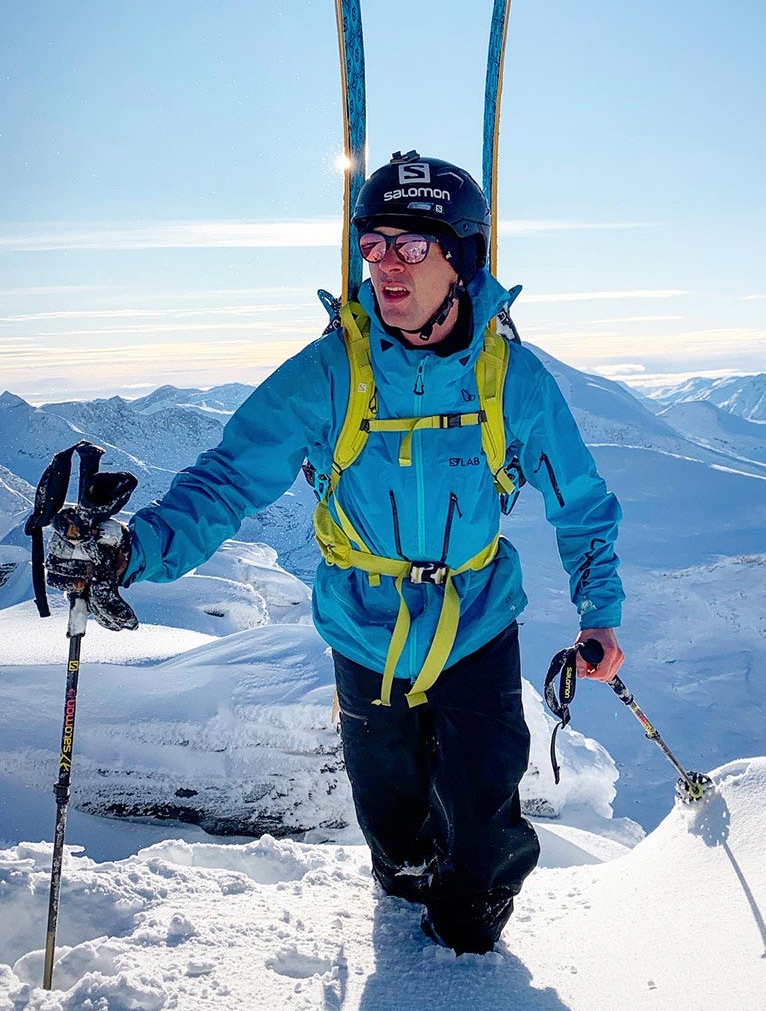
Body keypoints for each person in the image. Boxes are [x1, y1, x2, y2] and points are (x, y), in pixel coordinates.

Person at [54, 150, 626, 956]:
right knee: (391, 818)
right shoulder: (330, 373)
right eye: (374, 244)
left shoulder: (511, 380)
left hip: (476, 619)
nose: (386, 264)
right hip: (364, 625)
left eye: (412, 245)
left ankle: (469, 951)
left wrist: (600, 612)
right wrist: (130, 551)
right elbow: (228, 479)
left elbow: (581, 502)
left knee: (486, 816)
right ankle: (404, 903)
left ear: (461, 259)